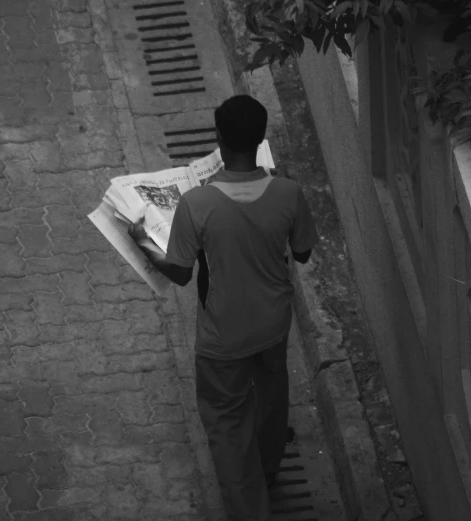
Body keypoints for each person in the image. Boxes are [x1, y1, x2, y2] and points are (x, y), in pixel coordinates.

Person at [128, 94, 319, 520]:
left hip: (222, 336)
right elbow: (302, 253)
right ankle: (269, 469)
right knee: (270, 397)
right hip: (273, 324)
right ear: (261, 139)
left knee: (228, 425)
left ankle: (251, 508)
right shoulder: (288, 192)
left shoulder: (198, 204)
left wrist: (142, 241)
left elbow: (179, 273)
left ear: (219, 141)